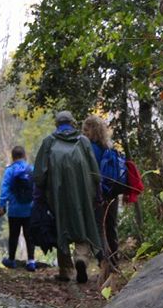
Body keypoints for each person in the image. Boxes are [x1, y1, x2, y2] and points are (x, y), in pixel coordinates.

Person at [33, 110, 102, 283]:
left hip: (57, 194)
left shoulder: (49, 142)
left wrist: (41, 193)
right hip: (83, 192)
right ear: (72, 123)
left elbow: (39, 174)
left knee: (60, 225)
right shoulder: (83, 141)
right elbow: (95, 171)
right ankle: (81, 259)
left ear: (57, 124)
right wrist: (96, 189)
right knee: (83, 222)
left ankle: (65, 270)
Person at [82, 114, 124, 270]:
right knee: (111, 226)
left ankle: (105, 262)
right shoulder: (109, 147)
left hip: (98, 193)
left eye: (86, 130)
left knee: (98, 228)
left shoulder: (88, 149)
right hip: (112, 191)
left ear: (92, 130)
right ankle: (115, 261)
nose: (84, 133)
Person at [0, 144, 37, 271]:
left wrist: (2, 205)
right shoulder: (31, 169)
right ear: (24, 156)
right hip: (29, 208)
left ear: (13, 157)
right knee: (29, 235)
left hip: (14, 209)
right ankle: (31, 261)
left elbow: (5, 189)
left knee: (13, 235)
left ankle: (12, 260)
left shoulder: (10, 170)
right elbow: (37, 187)